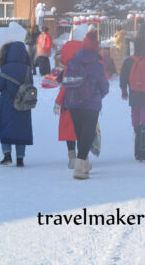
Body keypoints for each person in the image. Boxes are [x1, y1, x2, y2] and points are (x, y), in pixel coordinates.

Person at [64, 31, 109, 180]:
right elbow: (105, 87)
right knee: (88, 135)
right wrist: (98, 96)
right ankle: (79, 168)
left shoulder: (73, 61)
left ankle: (85, 164)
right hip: (90, 105)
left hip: (73, 104)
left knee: (80, 135)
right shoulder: (97, 65)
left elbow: (66, 81)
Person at [0, 42, 34, 168]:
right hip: (23, 104)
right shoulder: (28, 69)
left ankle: (7, 156)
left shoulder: (5, 69)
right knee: (21, 129)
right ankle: (20, 159)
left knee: (6, 128)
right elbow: (31, 86)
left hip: (7, 104)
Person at [53, 39, 83, 169]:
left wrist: (57, 102)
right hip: (84, 104)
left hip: (69, 104)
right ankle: (83, 157)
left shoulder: (68, 68)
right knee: (82, 131)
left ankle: (72, 155)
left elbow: (65, 87)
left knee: (69, 131)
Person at [120, 34, 145, 132]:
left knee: (135, 110)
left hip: (134, 91)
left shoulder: (129, 61)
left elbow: (123, 76)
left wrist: (124, 89)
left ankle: (136, 130)